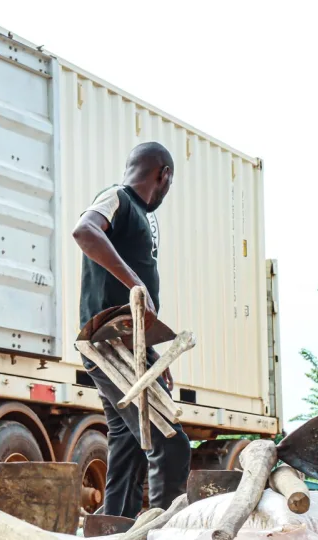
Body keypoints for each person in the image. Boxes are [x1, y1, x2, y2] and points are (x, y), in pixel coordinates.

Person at [71, 142, 191, 516]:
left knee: (127, 442)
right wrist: (137, 283)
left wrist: (153, 355)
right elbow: (84, 231)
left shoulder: (140, 213)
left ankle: (113, 532)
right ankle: (165, 535)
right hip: (108, 342)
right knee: (169, 441)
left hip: (131, 344)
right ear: (164, 174)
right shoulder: (116, 198)